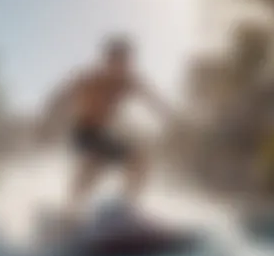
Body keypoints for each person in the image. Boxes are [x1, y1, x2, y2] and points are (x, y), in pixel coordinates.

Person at [38, 35, 178, 222]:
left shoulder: (130, 81)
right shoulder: (89, 79)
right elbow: (60, 96)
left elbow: (154, 99)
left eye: (125, 62)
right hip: (83, 131)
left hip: (105, 133)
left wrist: (171, 118)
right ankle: (69, 212)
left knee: (140, 160)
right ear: (107, 61)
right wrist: (47, 120)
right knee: (93, 163)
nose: (121, 67)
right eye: (116, 61)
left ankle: (128, 210)